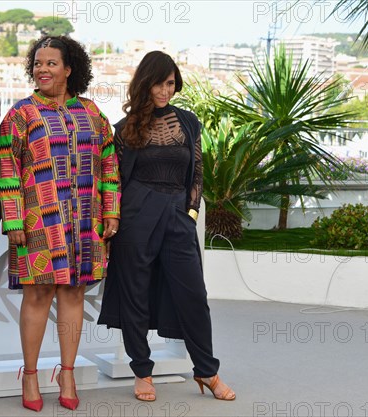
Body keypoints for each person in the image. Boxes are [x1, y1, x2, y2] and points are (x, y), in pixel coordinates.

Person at [98, 51, 236, 402]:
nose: (165, 90)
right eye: (159, 83)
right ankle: (142, 371)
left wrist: (189, 214)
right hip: (136, 214)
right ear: (145, 83)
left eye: (171, 83)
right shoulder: (123, 129)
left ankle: (207, 370)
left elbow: (198, 172)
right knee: (135, 294)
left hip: (177, 213)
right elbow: (113, 179)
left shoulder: (189, 123)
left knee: (193, 295)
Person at [0, 35, 120, 412]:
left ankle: (66, 372)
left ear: (69, 69)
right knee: (37, 295)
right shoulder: (21, 114)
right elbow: (6, 168)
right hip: (38, 221)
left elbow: (110, 163)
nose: (42, 69)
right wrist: (14, 217)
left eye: (51, 63)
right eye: (37, 63)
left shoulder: (93, 112)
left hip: (85, 221)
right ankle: (30, 375)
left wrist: (111, 210)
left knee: (74, 294)